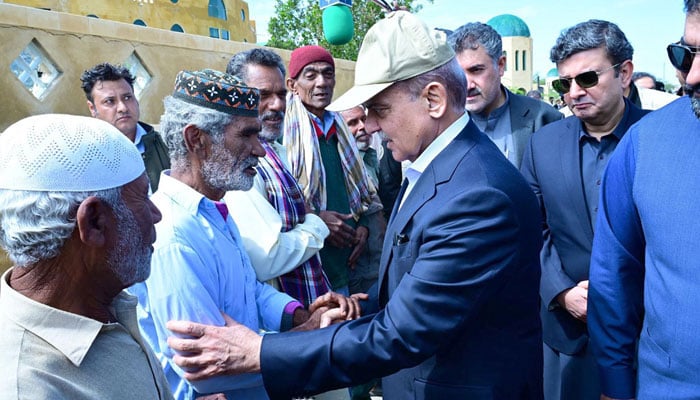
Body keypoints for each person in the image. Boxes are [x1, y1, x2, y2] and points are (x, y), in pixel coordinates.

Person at [166, 11, 544, 400]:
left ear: (433, 99)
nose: (373, 127)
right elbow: (422, 287)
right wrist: (353, 311)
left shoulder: (477, 195)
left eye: (380, 110)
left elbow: (402, 334)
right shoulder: (438, 170)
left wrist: (260, 352)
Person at [128, 69, 360, 400]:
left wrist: (301, 315)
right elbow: (208, 366)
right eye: (246, 136)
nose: (260, 150)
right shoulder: (174, 235)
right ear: (198, 140)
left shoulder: (214, 210)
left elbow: (249, 290)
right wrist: (307, 338)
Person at [519, 19, 649, 400]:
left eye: (588, 78)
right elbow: (530, 231)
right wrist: (561, 292)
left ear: (624, 73)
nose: (574, 92)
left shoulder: (659, 139)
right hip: (567, 338)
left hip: (648, 336)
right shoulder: (542, 145)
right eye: (565, 83)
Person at [0, 114, 171, 399]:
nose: (156, 215)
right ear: (93, 223)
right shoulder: (25, 388)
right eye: (143, 198)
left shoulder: (103, 302)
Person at [589, 1, 700, 398]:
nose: (693, 75)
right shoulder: (645, 144)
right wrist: (615, 386)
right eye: (686, 54)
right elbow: (614, 277)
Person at [223, 48, 331, 307]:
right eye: (263, 96)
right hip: (277, 320)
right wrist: (316, 225)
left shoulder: (277, 151)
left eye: (281, 94)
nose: (277, 105)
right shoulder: (239, 161)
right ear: (236, 97)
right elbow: (266, 258)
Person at [283, 45, 374, 296]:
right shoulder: (284, 135)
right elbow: (279, 199)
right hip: (311, 262)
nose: (321, 82)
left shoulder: (340, 129)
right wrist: (318, 219)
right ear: (293, 84)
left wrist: (362, 225)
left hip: (349, 258)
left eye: (328, 74)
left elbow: (357, 187)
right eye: (310, 75)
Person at [448, 22, 563, 168]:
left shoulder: (543, 118)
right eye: (458, 73)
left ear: (501, 65)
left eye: (476, 70)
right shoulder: (447, 124)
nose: (467, 85)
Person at [81, 62, 170, 191]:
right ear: (92, 108)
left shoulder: (167, 146)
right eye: (109, 101)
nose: (123, 108)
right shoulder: (85, 157)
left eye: (127, 97)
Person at [339, 105, 386, 296]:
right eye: (352, 123)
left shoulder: (371, 156)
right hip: (358, 263)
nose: (362, 127)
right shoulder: (341, 163)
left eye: (363, 120)